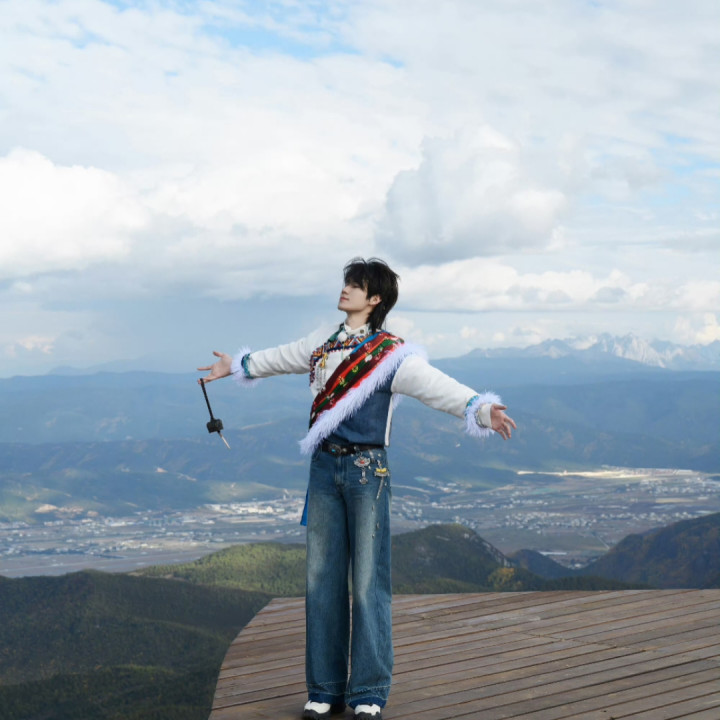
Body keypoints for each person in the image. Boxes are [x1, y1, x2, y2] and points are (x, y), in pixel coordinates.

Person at [198, 257, 516, 720]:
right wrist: (238, 365)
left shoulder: (392, 355)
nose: (346, 289)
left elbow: (434, 386)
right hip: (323, 467)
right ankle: (324, 689)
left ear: (376, 299)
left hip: (367, 471)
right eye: (347, 282)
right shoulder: (322, 342)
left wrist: (480, 409)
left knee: (368, 582)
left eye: (357, 285)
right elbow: (280, 357)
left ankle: (368, 690)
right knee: (321, 580)